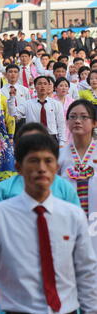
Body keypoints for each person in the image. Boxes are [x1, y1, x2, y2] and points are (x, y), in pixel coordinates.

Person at [0, 134, 97, 314]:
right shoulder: (0, 214)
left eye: (48, 161)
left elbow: (86, 271)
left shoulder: (72, 215)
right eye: (34, 161)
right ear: (19, 167)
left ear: (56, 167)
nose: (41, 168)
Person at [58, 100, 97, 254]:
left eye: (83, 117)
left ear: (94, 122)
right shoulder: (59, 156)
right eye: (72, 117)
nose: (77, 121)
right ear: (67, 122)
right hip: (68, 222)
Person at [8, 76, 66, 146]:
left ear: (49, 86)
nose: (42, 86)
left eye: (45, 84)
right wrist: (12, 98)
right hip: (33, 137)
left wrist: (62, 142)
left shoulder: (56, 104)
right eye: (39, 83)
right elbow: (13, 113)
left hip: (51, 137)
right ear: (35, 87)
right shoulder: (28, 104)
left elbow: (61, 124)